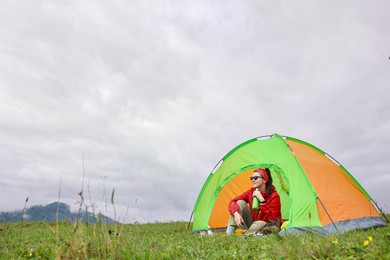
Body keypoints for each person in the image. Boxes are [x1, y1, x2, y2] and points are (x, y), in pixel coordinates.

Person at [226, 168, 281, 235]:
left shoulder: (274, 196)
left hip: (268, 227)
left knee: (260, 223)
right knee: (240, 203)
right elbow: (233, 201)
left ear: (264, 180)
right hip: (254, 225)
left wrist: (262, 200)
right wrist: (235, 213)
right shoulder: (251, 191)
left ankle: (245, 237)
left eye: (255, 178)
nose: (253, 180)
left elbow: (271, 219)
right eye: (251, 178)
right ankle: (228, 234)